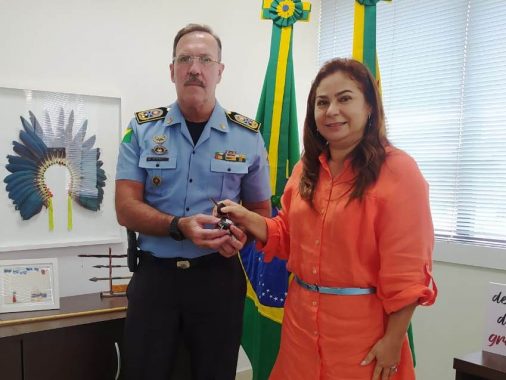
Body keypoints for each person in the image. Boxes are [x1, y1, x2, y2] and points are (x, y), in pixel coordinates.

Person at [218, 58, 437, 380]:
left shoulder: (399, 172)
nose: (332, 110)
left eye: (345, 98)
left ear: (370, 107)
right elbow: (289, 236)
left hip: (362, 337)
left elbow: (407, 272)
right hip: (300, 331)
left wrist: (393, 341)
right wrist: (246, 217)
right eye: (322, 102)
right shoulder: (305, 170)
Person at [115, 23, 271, 380]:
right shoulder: (142, 130)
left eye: (205, 59)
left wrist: (241, 235)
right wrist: (177, 226)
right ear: (172, 71)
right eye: (185, 59)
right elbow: (125, 207)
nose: (195, 68)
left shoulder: (247, 136)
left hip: (217, 279)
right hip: (156, 279)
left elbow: (261, 213)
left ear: (219, 71)